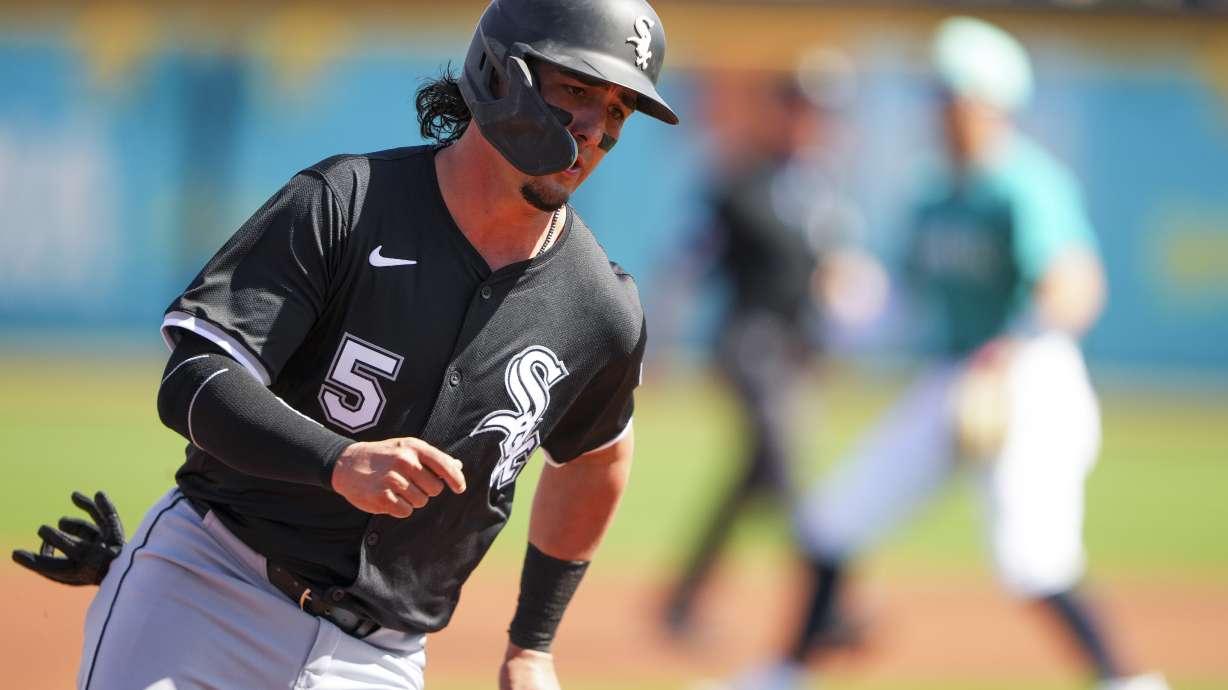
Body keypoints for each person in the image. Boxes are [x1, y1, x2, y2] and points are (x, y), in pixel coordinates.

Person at [11, 1, 678, 688]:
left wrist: (532, 644)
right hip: (206, 591)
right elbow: (193, 380)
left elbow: (596, 459)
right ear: (501, 74)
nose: (596, 130)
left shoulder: (600, 309)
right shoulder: (347, 202)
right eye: (577, 90)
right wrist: (338, 461)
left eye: (621, 110)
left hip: (379, 660)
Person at [720, 17, 1168, 690]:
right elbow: (900, 303)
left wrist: (1017, 344)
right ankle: (784, 674)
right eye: (938, 97)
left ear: (994, 105)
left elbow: (1077, 284)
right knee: (830, 521)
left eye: (955, 98)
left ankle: (1126, 681)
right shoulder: (933, 194)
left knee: (1031, 558)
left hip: (1030, 378)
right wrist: (849, 301)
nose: (943, 112)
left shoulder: (1023, 185)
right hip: (954, 373)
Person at [660, 58, 875, 647]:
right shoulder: (737, 181)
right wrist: (661, 341)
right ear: (779, 111)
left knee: (754, 480)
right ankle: (830, 601)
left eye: (821, 112)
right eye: (801, 107)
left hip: (796, 352)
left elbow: (828, 279)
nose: (810, 122)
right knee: (790, 462)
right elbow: (687, 262)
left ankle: (679, 600)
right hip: (748, 346)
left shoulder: (819, 193)